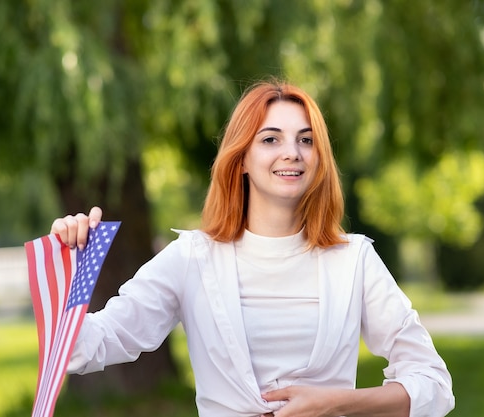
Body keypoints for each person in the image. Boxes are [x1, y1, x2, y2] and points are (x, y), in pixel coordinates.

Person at [51, 80, 455, 417]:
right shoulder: (193, 257)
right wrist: (70, 265)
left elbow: (433, 385)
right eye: (270, 139)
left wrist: (338, 403)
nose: (291, 153)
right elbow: (83, 349)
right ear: (241, 158)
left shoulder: (353, 261)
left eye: (306, 140)